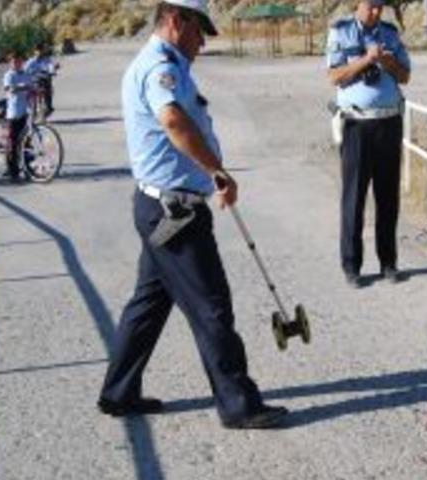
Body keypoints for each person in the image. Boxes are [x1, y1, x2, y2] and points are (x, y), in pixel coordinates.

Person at [97, 0, 288, 429]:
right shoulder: (159, 67)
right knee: (211, 307)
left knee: (149, 303)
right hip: (175, 211)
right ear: (174, 20)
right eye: (199, 30)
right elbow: (173, 121)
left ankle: (118, 393)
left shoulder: (168, 64)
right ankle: (239, 405)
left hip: (160, 205)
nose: (202, 41)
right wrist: (217, 171)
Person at [326, 0, 411, 288]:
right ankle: (352, 266)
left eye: (380, 7)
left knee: (388, 197)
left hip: (388, 122)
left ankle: (389, 263)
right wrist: (366, 60)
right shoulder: (341, 32)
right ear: (357, 4)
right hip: (356, 125)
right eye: (371, 6)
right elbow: (334, 76)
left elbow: (405, 76)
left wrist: (388, 62)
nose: (376, 12)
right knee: (354, 198)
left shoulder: (390, 33)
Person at [2, 51, 32, 181]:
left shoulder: (26, 74)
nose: (17, 64)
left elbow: (31, 87)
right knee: (13, 143)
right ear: (10, 63)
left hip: (25, 111)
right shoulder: (9, 75)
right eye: (14, 62)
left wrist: (35, 90)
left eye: (19, 61)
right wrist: (20, 87)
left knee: (26, 142)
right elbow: (8, 88)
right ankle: (12, 171)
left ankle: (27, 167)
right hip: (13, 113)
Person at [24, 42, 59, 117]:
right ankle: (32, 109)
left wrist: (54, 69)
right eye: (37, 50)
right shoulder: (31, 61)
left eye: (41, 50)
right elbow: (25, 70)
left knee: (48, 91)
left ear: (43, 50)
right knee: (32, 90)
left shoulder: (47, 60)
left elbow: (51, 67)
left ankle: (48, 107)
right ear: (34, 51)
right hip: (35, 81)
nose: (39, 52)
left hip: (46, 81)